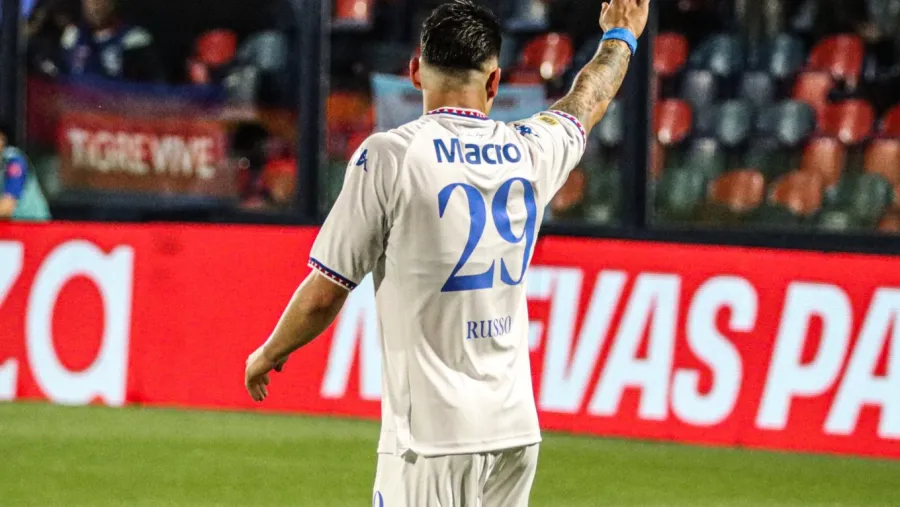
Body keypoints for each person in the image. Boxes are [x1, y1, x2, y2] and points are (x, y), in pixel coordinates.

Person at [243, 0, 647, 505]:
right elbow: (586, 100)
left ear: (414, 70)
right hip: (514, 431)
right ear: (495, 83)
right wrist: (620, 38)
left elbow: (326, 293)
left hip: (431, 440)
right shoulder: (530, 148)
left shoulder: (390, 156)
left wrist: (269, 352)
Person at [59, 0, 164, 82]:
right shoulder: (73, 35)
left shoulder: (135, 40)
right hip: (75, 106)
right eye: (90, 0)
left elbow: (151, 89)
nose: (95, 5)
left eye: (102, 0)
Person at [0, 127, 51, 221]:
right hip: (8, 226)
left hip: (33, 224)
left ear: (2, 139)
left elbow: (6, 207)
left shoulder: (13, 160)